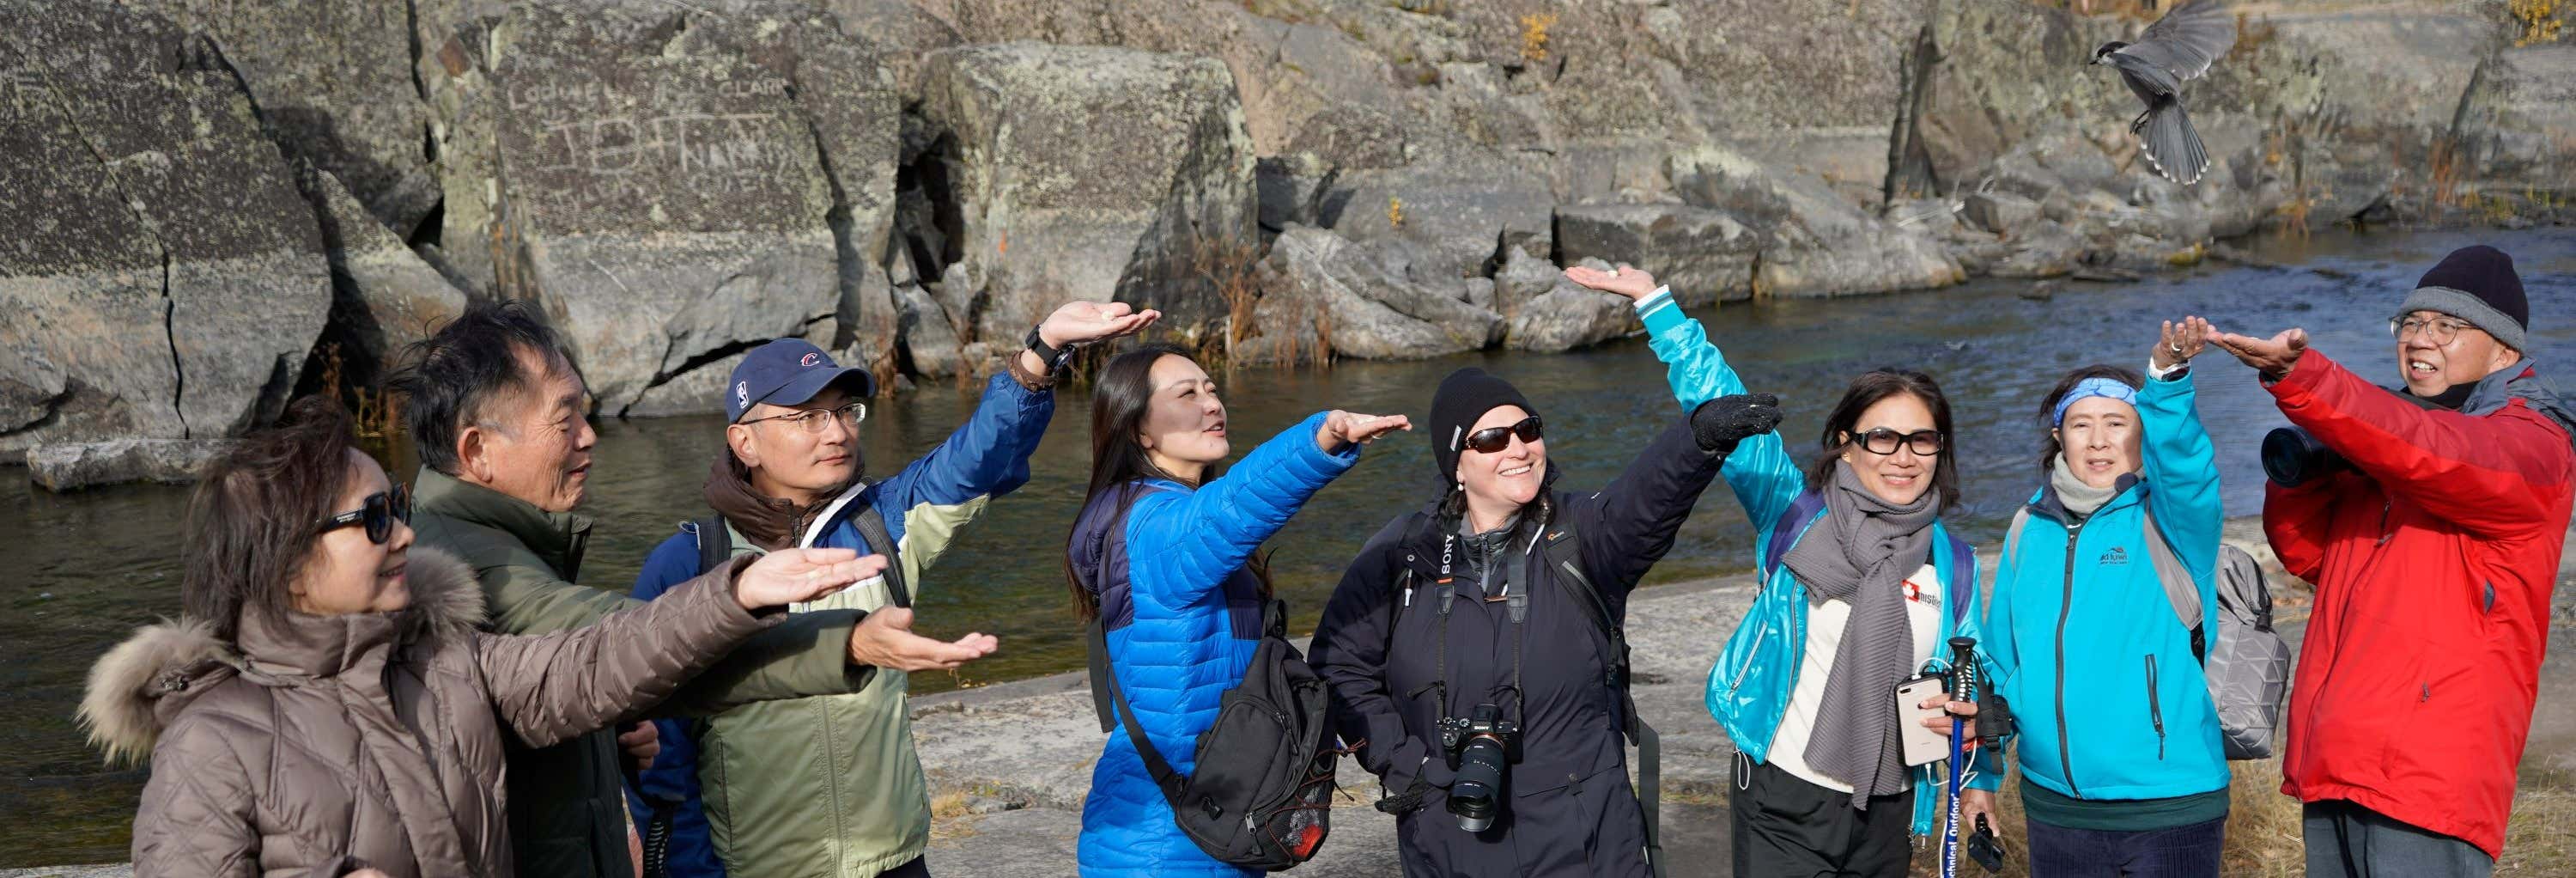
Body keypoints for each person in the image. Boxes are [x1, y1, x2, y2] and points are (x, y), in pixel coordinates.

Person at [79, 398, 889, 878]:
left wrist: (737, 592)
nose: (402, 535)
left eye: (394, 505)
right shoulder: (212, 746)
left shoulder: (452, 664)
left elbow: (595, 664)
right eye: (370, 520)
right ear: (284, 559)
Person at [385, 301, 996, 878]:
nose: (590, 437)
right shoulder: (481, 567)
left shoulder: (495, 540)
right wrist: (840, 641)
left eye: (841, 412)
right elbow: (619, 645)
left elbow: (545, 690)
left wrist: (599, 740)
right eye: (564, 420)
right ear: (478, 450)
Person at [626, 302, 1157, 878]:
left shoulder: (886, 520)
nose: (836, 432)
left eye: (844, 411)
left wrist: (1042, 351)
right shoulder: (689, 563)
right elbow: (662, 760)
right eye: (805, 417)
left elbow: (981, 455)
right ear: (744, 442)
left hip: (896, 863)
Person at [1564, 265, 1988, 875]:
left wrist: (1974, 736)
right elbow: (1724, 406)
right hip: (1782, 796)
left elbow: (1973, 684)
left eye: (1922, 440)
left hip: (1890, 806)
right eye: (1883, 438)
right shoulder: (1794, 514)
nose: (1903, 456)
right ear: (1845, 442)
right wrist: (1658, 307)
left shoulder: (1956, 563)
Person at [1308, 354, 1783, 877]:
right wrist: (1408, 769)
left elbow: (1645, 502)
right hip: (1448, 837)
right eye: (1492, 439)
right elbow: (1338, 665)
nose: (1518, 448)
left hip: (1589, 843)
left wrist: (1698, 440)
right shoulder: (1403, 552)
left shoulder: (1580, 536)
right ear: (1456, 466)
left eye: (1527, 430)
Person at [2208, 244, 2573, 876]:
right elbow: (2306, 552)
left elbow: (2440, 454)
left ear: (2506, 352)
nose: (2420, 338)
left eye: (2448, 326)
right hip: (2339, 753)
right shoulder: (2395, 428)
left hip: (2429, 772)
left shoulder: (2531, 442)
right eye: (2411, 322)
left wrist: (2312, 388)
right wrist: (2314, 465)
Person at [1064, 344, 1408, 876]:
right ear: (1140, 431)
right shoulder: (1152, 525)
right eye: (1186, 394)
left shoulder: (1147, 512)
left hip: (1202, 822)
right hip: (1167, 844)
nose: (1211, 404)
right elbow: (1231, 510)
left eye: (1211, 389)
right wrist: (1318, 441)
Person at [1961, 318, 2232, 875]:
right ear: (2059, 436)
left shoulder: (2173, 519)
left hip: (2168, 805)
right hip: (2054, 806)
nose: (2099, 440)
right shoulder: (2026, 528)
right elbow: (1999, 665)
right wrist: (1982, 778)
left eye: (2117, 422)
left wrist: (2169, 378)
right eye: (2081, 424)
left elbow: (2187, 467)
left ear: (2142, 430)